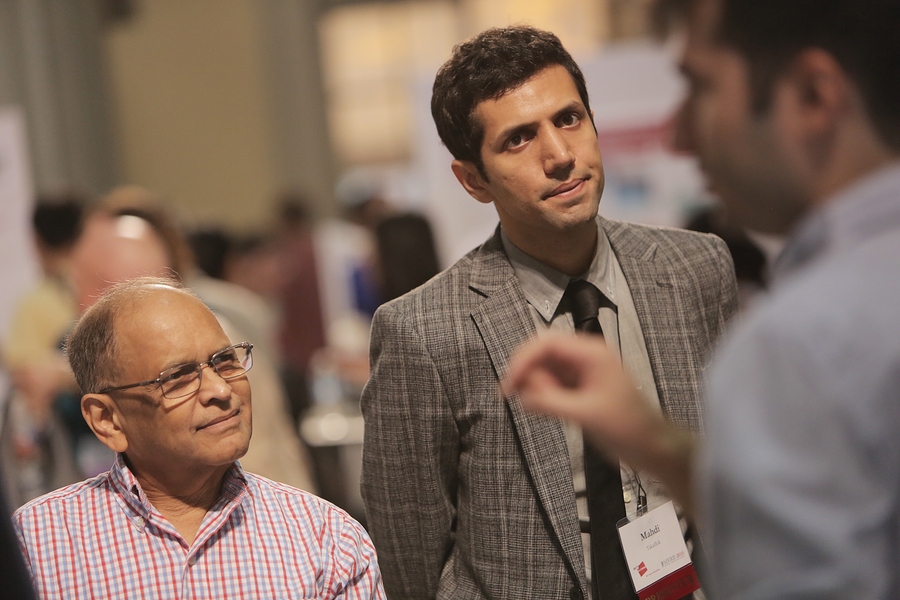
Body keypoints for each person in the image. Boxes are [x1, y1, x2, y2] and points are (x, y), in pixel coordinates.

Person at [503, 0, 900, 598]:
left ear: (814, 96)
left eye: (701, 87)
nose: (680, 133)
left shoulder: (800, 342)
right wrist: (659, 447)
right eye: (519, 138)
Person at [360, 25, 737, 599]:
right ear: (471, 180)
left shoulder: (695, 270)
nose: (560, 156)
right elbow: (409, 557)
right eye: (518, 139)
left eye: (569, 119)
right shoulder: (424, 331)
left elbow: (736, 460)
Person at [12, 278, 385, 598]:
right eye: (178, 377)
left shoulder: (328, 541)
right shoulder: (36, 544)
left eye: (225, 361)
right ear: (107, 419)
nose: (220, 390)